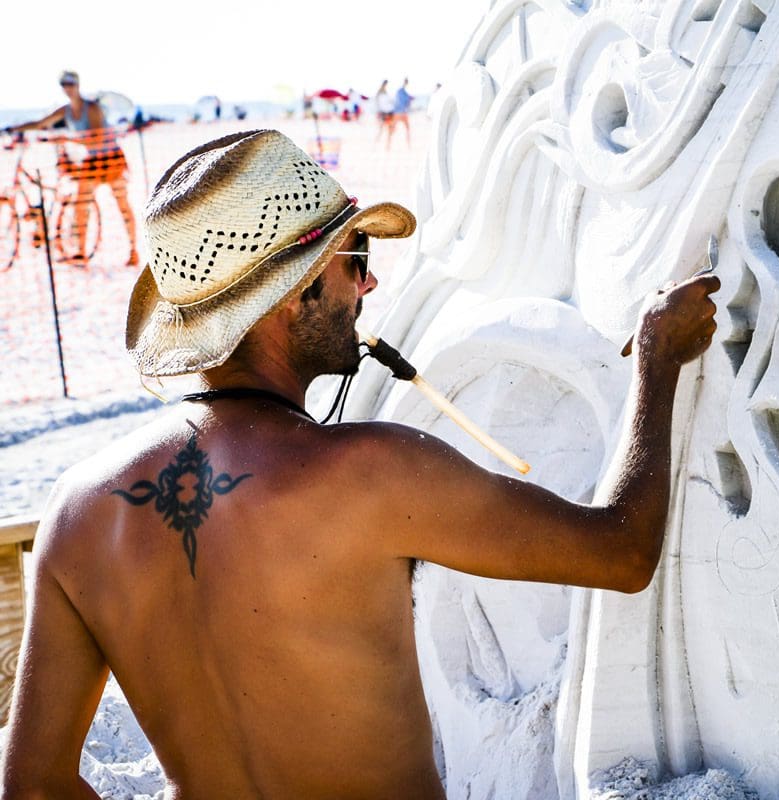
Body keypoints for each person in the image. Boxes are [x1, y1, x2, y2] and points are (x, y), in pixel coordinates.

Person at [0, 129, 719, 797]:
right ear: (297, 289)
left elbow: (31, 786)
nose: (366, 288)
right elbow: (622, 553)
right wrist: (658, 364)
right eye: (356, 261)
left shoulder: (78, 510)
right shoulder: (372, 470)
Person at [2, 70, 140, 266]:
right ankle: (81, 252)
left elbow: (97, 139)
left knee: (122, 206)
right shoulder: (65, 110)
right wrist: (13, 129)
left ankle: (133, 250)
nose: (67, 88)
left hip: (110, 159)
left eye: (70, 84)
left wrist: (67, 138)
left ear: (77, 84)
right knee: (81, 205)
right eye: (64, 84)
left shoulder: (91, 108)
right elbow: (41, 123)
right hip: (90, 162)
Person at [374, 78, 397, 149]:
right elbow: (387, 103)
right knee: (387, 129)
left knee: (382, 130)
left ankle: (382, 145)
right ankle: (386, 145)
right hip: (387, 113)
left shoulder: (380, 93)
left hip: (384, 113)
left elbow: (378, 104)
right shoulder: (383, 94)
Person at [394, 77, 413, 148]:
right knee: (406, 129)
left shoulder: (401, 91)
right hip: (401, 112)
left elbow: (398, 102)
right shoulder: (402, 92)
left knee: (406, 129)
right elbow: (405, 103)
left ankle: (408, 145)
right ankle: (408, 145)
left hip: (398, 112)